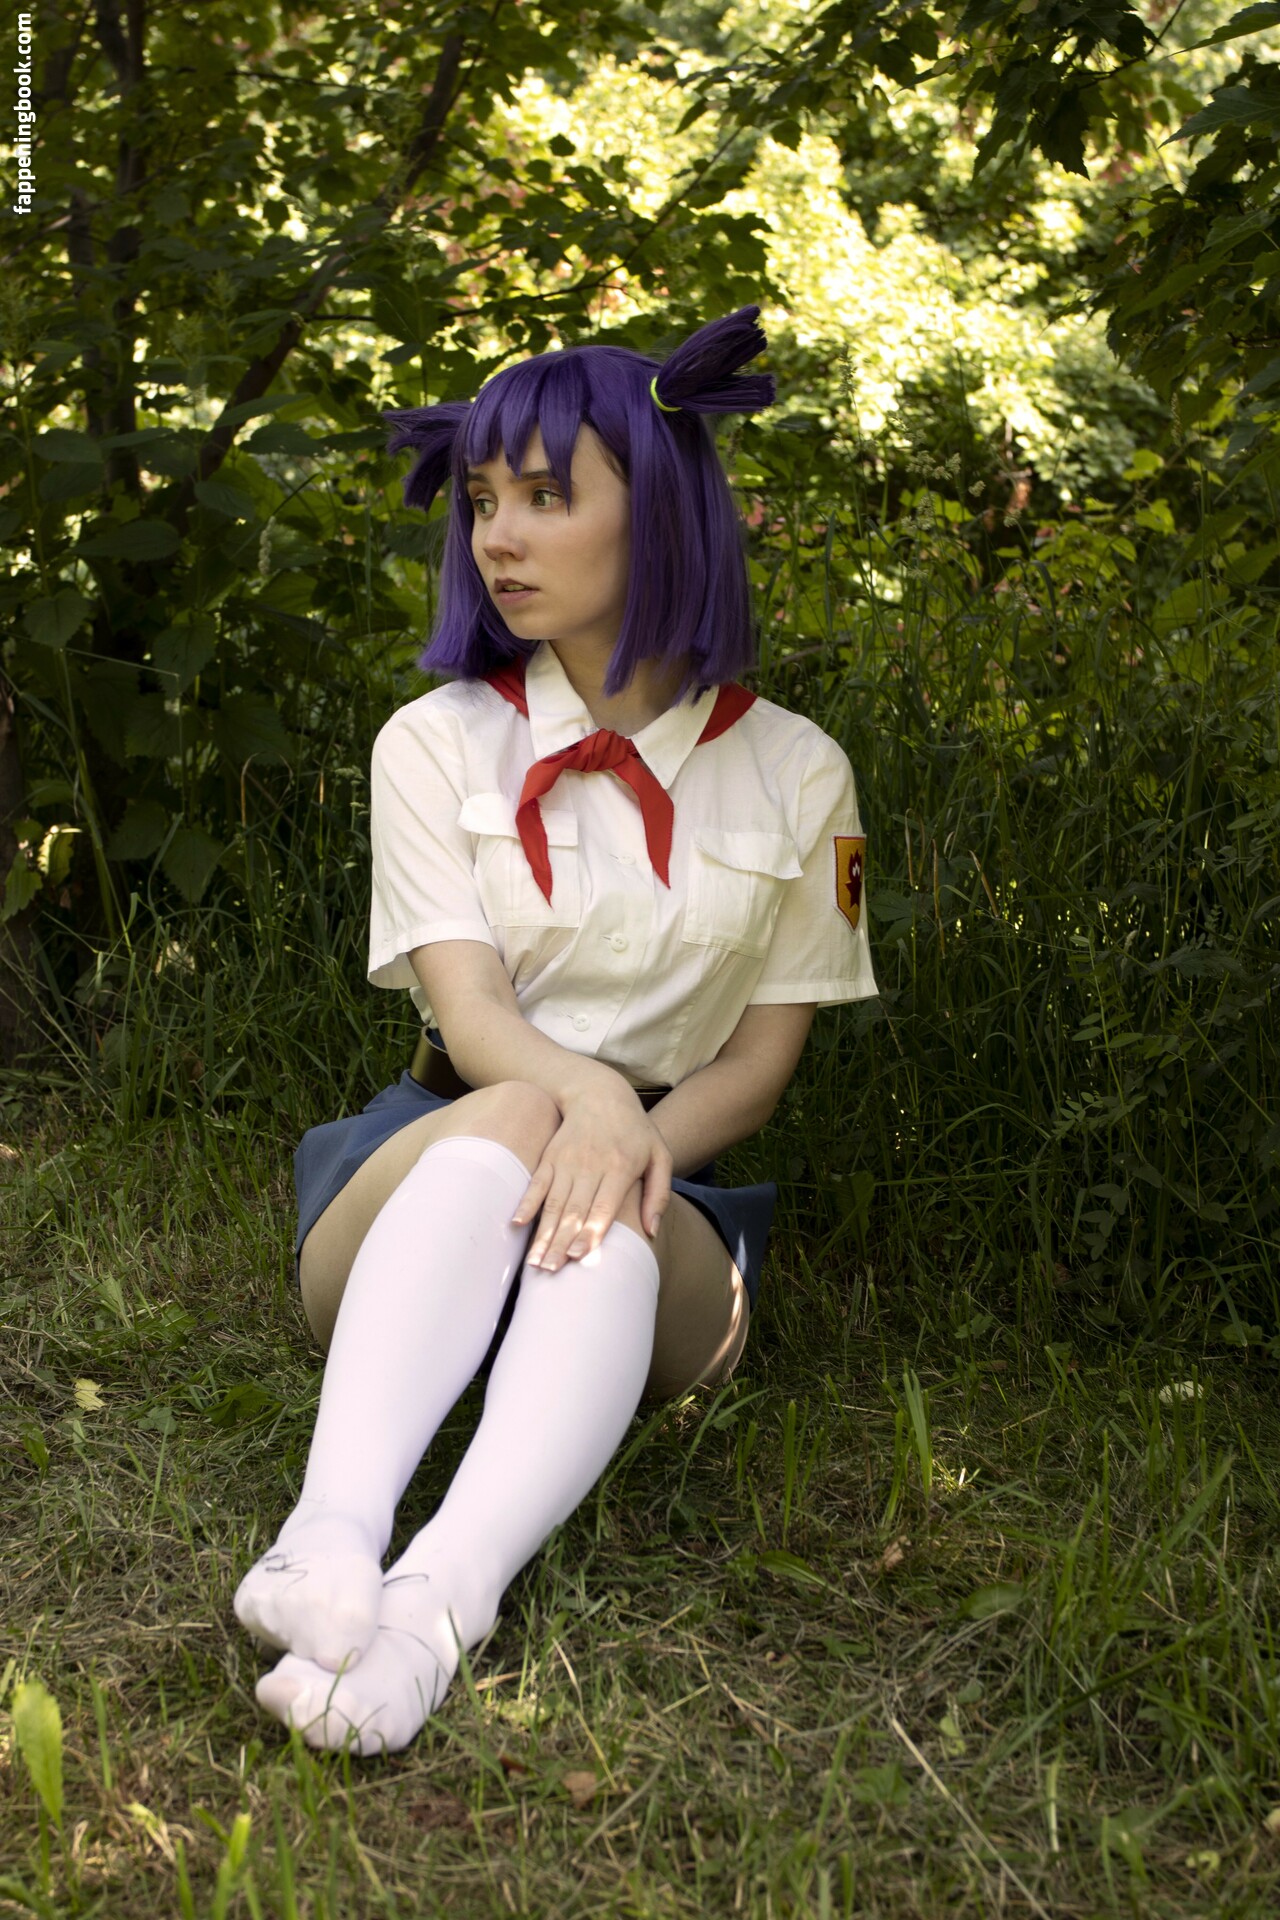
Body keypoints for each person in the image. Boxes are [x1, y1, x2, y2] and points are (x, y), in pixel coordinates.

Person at [233, 307, 878, 1754]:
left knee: (607, 1207)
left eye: (543, 495)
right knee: (525, 1114)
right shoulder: (434, 741)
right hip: (437, 1160)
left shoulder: (799, 771)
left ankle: (433, 1617)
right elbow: (470, 1019)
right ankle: (325, 1540)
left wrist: (629, 1141)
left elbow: (759, 1066)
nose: (498, 538)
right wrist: (582, 1099)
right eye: (480, 501)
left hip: (668, 1177)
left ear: (660, 513)